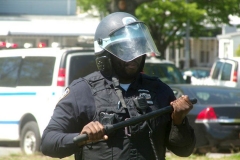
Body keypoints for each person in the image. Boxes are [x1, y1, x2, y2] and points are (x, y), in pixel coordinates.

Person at [41, 12, 196, 160]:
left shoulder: (159, 90)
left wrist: (179, 121)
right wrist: (81, 137)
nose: (133, 56)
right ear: (105, 52)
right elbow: (48, 142)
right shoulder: (81, 91)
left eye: (138, 48)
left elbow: (184, 150)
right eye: (124, 49)